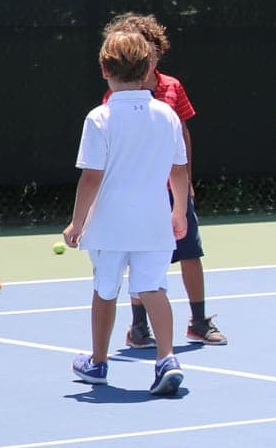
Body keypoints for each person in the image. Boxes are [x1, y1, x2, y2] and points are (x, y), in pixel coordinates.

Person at [65, 29, 190, 396]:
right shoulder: (166, 115)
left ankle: (98, 363)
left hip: (109, 226)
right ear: (149, 67)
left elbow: (91, 178)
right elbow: (179, 170)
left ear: (104, 69)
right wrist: (179, 210)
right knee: (153, 288)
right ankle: (167, 358)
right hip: (153, 224)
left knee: (105, 290)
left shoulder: (99, 118)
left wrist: (77, 222)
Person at [104, 13, 228, 348]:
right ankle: (139, 326)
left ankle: (199, 321)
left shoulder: (172, 87)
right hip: (138, 195)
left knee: (190, 252)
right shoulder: (117, 96)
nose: (146, 58)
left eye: (151, 51)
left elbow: (183, 134)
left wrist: (184, 183)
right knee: (140, 257)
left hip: (173, 190)